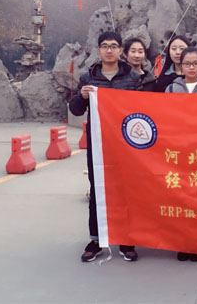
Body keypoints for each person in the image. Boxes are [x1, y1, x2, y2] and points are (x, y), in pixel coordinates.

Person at [69, 31, 141, 263]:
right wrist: (81, 96)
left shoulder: (132, 78)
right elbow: (75, 110)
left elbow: (142, 109)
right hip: (98, 143)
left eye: (114, 46)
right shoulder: (88, 78)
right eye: (105, 46)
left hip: (126, 144)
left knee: (126, 189)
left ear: (120, 50)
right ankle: (96, 239)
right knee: (97, 188)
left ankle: (126, 239)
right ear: (99, 50)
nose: (109, 50)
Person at [165, 47, 197, 261]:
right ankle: (183, 242)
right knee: (181, 197)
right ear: (181, 66)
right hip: (179, 149)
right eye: (187, 64)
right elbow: (165, 115)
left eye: (195, 63)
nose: (191, 67)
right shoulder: (171, 87)